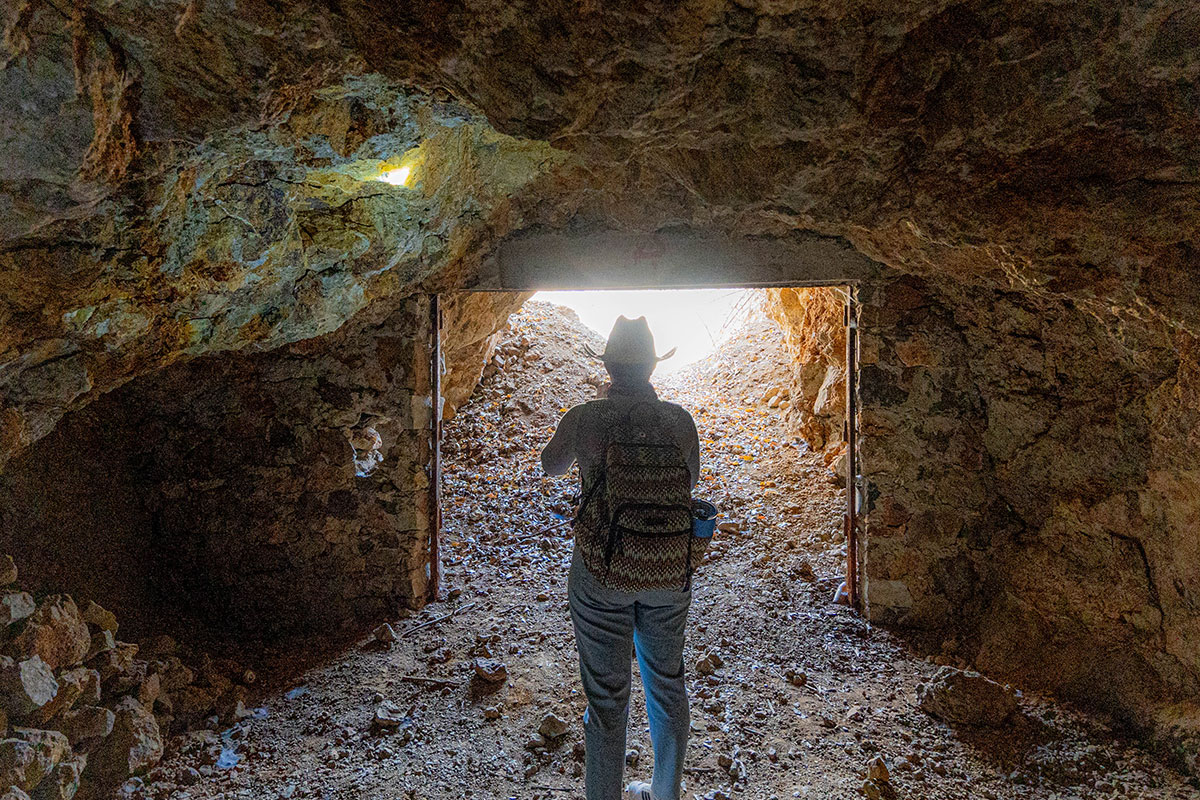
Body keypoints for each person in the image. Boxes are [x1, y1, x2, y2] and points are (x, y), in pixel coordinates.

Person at [542, 316, 701, 800]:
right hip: (668, 570)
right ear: (653, 366)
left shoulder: (586, 416)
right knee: (667, 684)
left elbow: (549, 468)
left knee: (608, 699)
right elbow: (688, 485)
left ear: (608, 366)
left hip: (601, 572)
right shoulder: (678, 420)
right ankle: (664, 792)